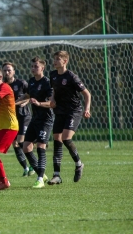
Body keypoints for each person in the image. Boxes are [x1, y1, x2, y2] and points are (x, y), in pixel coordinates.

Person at [48, 51, 91, 185]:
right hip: (60, 111)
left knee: (66, 138)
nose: (54, 61)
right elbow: (54, 90)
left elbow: (87, 94)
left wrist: (87, 109)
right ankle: (56, 175)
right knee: (57, 139)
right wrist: (52, 100)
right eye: (54, 59)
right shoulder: (53, 75)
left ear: (65, 61)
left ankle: (79, 164)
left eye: (57, 59)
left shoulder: (71, 76)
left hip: (74, 111)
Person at [15, 57, 54, 189]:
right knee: (26, 147)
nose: (33, 68)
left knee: (41, 147)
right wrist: (13, 103)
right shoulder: (31, 81)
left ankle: (40, 179)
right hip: (35, 119)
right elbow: (26, 96)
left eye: (36, 66)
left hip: (46, 119)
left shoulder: (47, 83)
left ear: (42, 68)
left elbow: (52, 103)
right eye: (32, 66)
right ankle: (41, 174)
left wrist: (39, 103)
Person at [2, 62, 35, 176]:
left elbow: (30, 95)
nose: (7, 72)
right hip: (12, 118)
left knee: (21, 141)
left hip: (24, 116)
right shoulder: (3, 86)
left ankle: (33, 164)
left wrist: (24, 102)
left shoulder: (21, 83)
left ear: (14, 71)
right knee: (15, 144)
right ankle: (26, 168)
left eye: (9, 70)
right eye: (5, 70)